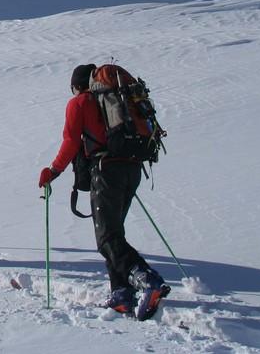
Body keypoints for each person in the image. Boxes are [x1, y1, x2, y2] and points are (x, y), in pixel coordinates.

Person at [39, 64, 170, 320]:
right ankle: (121, 294)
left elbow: (71, 141)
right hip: (132, 169)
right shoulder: (112, 100)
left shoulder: (80, 103)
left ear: (77, 85)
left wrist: (53, 171)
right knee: (113, 234)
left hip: (106, 170)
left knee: (107, 239)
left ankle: (146, 280)